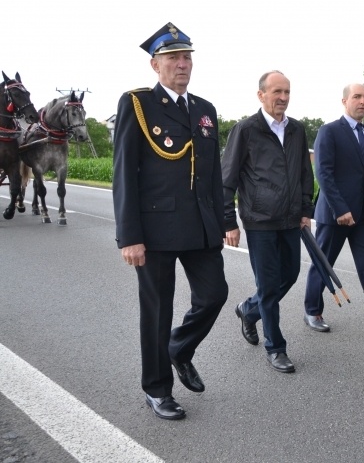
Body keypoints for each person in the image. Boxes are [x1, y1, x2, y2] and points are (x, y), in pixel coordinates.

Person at [113, 22, 229, 420]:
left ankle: (179, 348)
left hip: (200, 226)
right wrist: (129, 236)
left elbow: (213, 175)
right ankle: (158, 389)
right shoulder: (138, 104)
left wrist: (224, 221)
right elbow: (124, 172)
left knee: (214, 295)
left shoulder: (205, 111)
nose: (183, 64)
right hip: (156, 230)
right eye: (173, 58)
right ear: (155, 64)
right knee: (157, 311)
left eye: (187, 57)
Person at [221, 70, 314, 374]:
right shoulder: (246, 130)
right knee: (270, 285)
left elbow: (304, 173)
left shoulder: (298, 130)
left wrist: (305, 210)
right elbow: (228, 178)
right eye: (277, 92)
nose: (283, 98)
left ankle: (249, 309)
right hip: (259, 221)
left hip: (290, 220)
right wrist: (228, 221)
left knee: (291, 273)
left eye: (287, 92)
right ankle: (276, 347)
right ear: (261, 94)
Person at [303, 83, 364, 339]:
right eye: (357, 97)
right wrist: (340, 208)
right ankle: (313, 311)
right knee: (323, 264)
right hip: (335, 215)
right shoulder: (329, 131)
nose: (363, 101)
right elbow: (324, 173)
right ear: (344, 101)